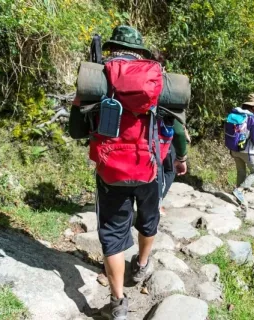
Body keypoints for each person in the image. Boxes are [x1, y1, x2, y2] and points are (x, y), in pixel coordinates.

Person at [75, 25, 186, 320]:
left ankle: (119, 303)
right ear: (140, 52)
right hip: (149, 166)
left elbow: (76, 129)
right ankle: (142, 264)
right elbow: (176, 127)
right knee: (149, 219)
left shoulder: (98, 78)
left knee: (112, 234)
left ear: (112, 48)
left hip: (110, 170)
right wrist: (182, 156)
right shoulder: (157, 80)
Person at [160, 120, 190, 215]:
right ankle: (157, 204)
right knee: (170, 170)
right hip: (166, 138)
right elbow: (178, 130)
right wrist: (181, 158)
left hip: (146, 139)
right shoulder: (171, 104)